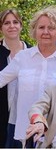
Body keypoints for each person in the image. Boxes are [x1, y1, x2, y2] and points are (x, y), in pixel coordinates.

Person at [0, 6, 56, 146]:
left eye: (51, 28)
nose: (45, 32)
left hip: (55, 133)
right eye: (41, 27)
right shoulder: (22, 57)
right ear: (34, 30)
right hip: (25, 133)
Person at [0, 9, 31, 148]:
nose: (11, 26)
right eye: (7, 23)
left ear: (21, 25)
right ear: (1, 28)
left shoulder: (32, 53)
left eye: (15, 22)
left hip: (26, 119)